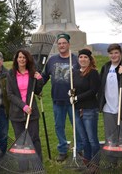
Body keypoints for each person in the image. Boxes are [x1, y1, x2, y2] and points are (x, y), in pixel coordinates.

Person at [42, 33, 83, 162]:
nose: (61, 45)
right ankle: (62, 149)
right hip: (57, 99)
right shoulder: (52, 60)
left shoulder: (76, 60)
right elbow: (44, 77)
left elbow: (83, 79)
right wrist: (37, 87)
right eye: (59, 43)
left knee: (76, 125)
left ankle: (79, 148)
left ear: (68, 44)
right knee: (59, 126)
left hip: (73, 101)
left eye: (64, 43)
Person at [7, 49, 45, 161]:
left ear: (27, 59)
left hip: (32, 113)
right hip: (16, 113)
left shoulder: (32, 73)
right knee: (20, 140)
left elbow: (37, 91)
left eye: (24, 57)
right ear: (16, 59)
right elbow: (10, 94)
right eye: (20, 57)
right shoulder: (11, 74)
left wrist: (39, 79)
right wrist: (23, 106)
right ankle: (23, 164)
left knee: (34, 139)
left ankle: (37, 164)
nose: (22, 59)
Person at [98, 43, 122, 149]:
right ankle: (111, 161)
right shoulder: (105, 67)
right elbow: (100, 87)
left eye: (116, 53)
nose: (113, 55)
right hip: (108, 109)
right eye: (111, 53)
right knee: (110, 139)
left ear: (120, 54)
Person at [69, 48, 100, 164]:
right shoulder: (75, 73)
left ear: (90, 59)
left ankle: (95, 163)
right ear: (78, 59)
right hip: (77, 109)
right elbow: (75, 88)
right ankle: (87, 161)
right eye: (81, 57)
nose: (83, 59)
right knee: (84, 138)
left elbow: (93, 90)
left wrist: (77, 98)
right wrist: (71, 93)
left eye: (85, 57)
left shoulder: (93, 73)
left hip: (89, 109)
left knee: (92, 139)